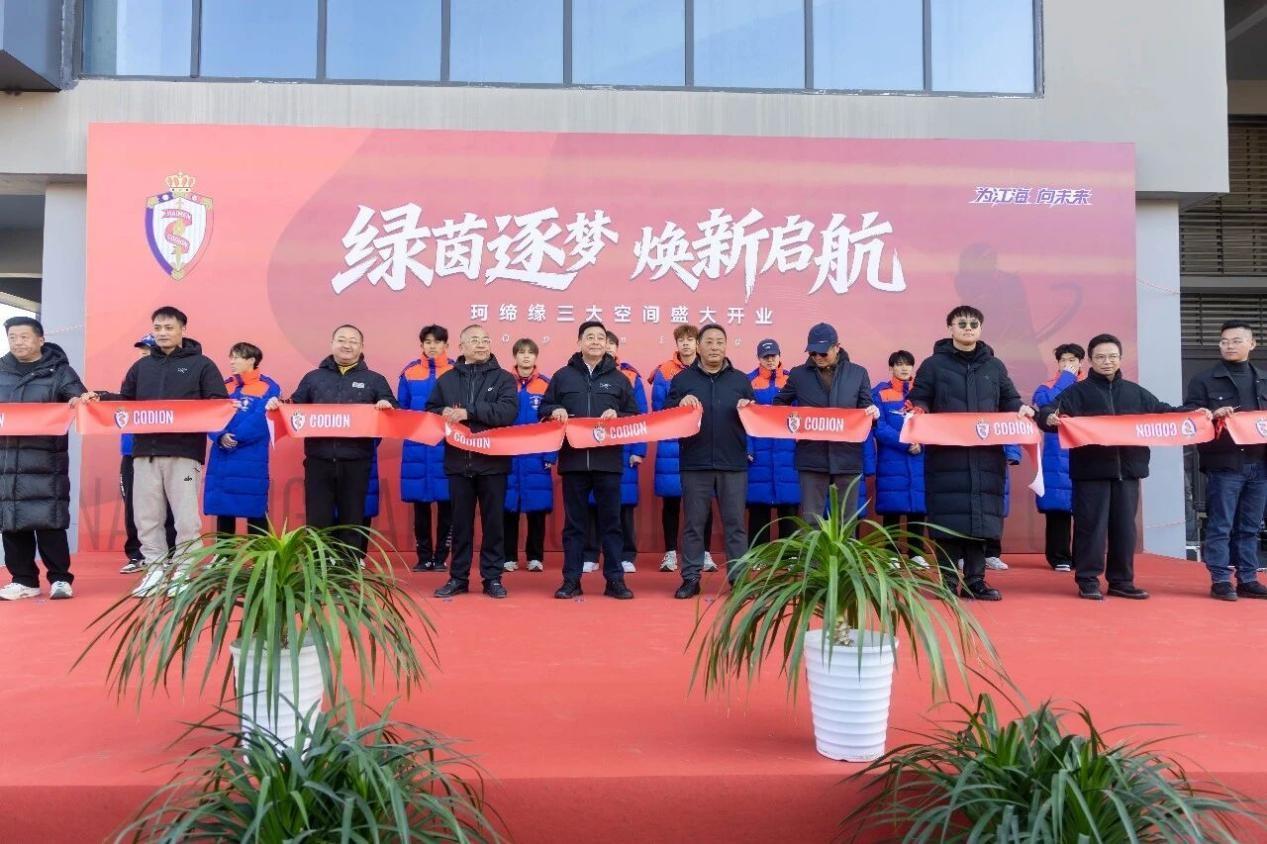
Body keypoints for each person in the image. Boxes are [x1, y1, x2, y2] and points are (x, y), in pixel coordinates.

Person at [1041, 333, 1211, 601]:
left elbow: (1164, 412)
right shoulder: (1076, 393)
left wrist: (1195, 414)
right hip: (1090, 473)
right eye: (1100, 357)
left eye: (1112, 356)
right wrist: (1047, 417)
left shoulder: (1135, 392)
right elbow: (1047, 411)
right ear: (1091, 360)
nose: (1107, 361)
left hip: (1128, 472)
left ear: (1120, 358)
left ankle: (1121, 580)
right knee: (1090, 528)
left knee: (1124, 530)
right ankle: (1088, 579)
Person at [83, 306, 228, 597]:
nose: (162, 333)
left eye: (169, 328)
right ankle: (155, 570)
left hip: (184, 453)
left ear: (183, 330)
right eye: (158, 328)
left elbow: (218, 403)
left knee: (186, 519)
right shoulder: (141, 367)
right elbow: (126, 402)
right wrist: (101, 398)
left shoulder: (202, 365)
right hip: (144, 453)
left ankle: (184, 571)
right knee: (147, 517)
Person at [908, 305, 1033, 601]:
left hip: (986, 456)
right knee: (947, 521)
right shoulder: (933, 365)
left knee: (981, 520)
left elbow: (1009, 399)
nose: (968, 328)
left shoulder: (994, 366)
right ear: (950, 328)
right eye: (961, 323)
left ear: (980, 329)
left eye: (973, 324)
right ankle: (948, 581)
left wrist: (1021, 409)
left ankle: (976, 581)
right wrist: (918, 410)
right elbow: (920, 397)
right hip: (946, 455)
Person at [267, 324, 395, 560]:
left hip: (356, 462)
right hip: (318, 460)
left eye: (353, 341)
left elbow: (393, 411)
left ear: (362, 347)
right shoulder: (313, 378)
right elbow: (294, 406)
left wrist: (387, 406)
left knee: (352, 521)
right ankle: (318, 569)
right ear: (332, 344)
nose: (347, 345)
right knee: (317, 521)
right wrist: (278, 405)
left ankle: (349, 570)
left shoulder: (375, 380)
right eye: (342, 340)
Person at [539, 320, 640, 600]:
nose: (595, 341)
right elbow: (544, 408)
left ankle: (615, 580)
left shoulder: (619, 379)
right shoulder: (562, 376)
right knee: (574, 526)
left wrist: (618, 416)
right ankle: (571, 580)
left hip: (608, 462)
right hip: (573, 461)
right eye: (590, 337)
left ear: (606, 344)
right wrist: (555, 409)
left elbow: (634, 415)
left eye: (600, 337)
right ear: (579, 342)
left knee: (612, 524)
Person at [428, 325, 518, 599]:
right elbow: (430, 411)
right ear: (461, 346)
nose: (481, 344)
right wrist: (441, 412)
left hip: (493, 464)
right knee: (460, 525)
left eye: (485, 340)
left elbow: (507, 412)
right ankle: (458, 577)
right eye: (474, 340)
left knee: (494, 525)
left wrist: (469, 412)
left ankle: (492, 578)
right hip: (458, 463)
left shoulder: (504, 378)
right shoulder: (446, 380)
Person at [664, 324, 755, 597]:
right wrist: (679, 404)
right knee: (694, 524)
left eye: (719, 342)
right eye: (709, 342)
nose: (714, 347)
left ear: (726, 346)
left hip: (733, 462)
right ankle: (691, 578)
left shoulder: (740, 380)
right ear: (699, 346)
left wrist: (749, 409)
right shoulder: (683, 380)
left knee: (735, 524)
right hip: (695, 462)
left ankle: (739, 579)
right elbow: (667, 415)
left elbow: (755, 419)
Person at [0, 316, 86, 601]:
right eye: (12, 337)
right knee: (11, 521)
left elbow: (79, 397)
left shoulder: (60, 372)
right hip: (6, 460)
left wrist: (78, 400)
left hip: (46, 461)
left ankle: (60, 578)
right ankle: (23, 580)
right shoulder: (1, 370)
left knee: (49, 521)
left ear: (40, 339)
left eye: (24, 337)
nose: (18, 342)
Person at [1184, 320, 1267, 601]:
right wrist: (1211, 414)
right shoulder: (1204, 380)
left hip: (1260, 464)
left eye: (1236, 340)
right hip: (1225, 463)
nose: (1229, 346)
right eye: (1224, 341)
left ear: (1252, 344)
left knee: (1250, 526)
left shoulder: (1263, 379)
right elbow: (1190, 417)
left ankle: (1248, 578)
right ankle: (1220, 579)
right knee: (1221, 524)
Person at [774, 322, 879, 522]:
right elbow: (779, 404)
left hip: (847, 457)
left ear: (837, 347)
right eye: (813, 353)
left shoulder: (858, 373)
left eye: (823, 353)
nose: (818, 357)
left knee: (846, 521)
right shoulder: (798, 375)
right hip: (811, 457)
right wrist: (792, 419)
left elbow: (867, 409)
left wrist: (873, 414)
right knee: (811, 521)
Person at [650, 324, 714, 572]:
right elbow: (660, 409)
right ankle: (670, 553)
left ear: (697, 343)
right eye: (681, 340)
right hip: (672, 443)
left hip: (702, 441)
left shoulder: (708, 367)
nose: (686, 344)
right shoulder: (664, 372)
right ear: (676, 344)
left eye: (690, 340)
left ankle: (705, 553)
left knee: (703, 501)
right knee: (671, 500)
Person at [582, 330, 647, 573]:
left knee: (623, 505)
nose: (606, 347)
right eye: (602, 342)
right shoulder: (582, 374)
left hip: (623, 450)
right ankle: (590, 554)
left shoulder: (629, 377)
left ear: (616, 349)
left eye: (611, 344)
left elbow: (639, 415)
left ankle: (626, 554)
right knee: (591, 505)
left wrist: (638, 450)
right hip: (592, 448)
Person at [203, 342, 281, 536]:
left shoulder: (269, 387)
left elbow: (261, 419)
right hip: (222, 456)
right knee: (223, 510)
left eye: (237, 357)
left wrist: (235, 437)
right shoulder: (225, 385)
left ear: (252, 360)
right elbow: (209, 414)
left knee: (254, 508)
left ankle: (260, 554)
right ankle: (223, 552)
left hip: (251, 457)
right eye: (231, 357)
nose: (232, 361)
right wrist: (220, 436)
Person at [398, 325, 453, 572]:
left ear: (446, 345)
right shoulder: (409, 372)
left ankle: (441, 557)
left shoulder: (456, 371)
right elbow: (401, 410)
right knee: (420, 505)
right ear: (421, 345)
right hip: (417, 448)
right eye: (428, 342)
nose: (432, 346)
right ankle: (423, 557)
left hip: (448, 446)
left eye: (437, 342)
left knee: (447, 505)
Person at [119, 334, 175, 573]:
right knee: (134, 505)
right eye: (141, 349)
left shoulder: (170, 379)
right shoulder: (134, 375)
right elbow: (121, 404)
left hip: (164, 450)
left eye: (148, 349)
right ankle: (136, 554)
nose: (143, 353)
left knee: (168, 502)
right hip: (132, 451)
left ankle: (170, 552)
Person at [1031, 343, 1085, 572]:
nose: (1067, 364)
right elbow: (1048, 406)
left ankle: (1084, 557)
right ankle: (1059, 556)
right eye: (1063, 360)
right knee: (1058, 507)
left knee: (1086, 509)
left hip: (1084, 451)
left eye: (1072, 360)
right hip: (1057, 454)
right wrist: (1065, 379)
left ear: (1081, 362)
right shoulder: (1046, 387)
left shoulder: (1090, 386)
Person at [503, 338, 554, 574]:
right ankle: (508, 556)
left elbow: (554, 423)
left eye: (530, 353)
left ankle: (535, 557)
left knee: (537, 509)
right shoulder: (503, 383)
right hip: (508, 455)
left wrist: (550, 455)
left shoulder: (546, 385)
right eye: (521, 352)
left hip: (536, 456)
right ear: (515, 356)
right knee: (508, 509)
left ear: (535, 357)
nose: (525, 356)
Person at [871, 350, 926, 563]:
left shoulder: (922, 393)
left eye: (908, 364)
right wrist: (905, 443)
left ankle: (916, 553)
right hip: (891, 458)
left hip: (919, 457)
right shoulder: (880, 393)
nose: (904, 368)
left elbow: (933, 423)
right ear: (891, 368)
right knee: (892, 506)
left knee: (918, 506)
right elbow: (880, 427)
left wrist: (920, 442)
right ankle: (891, 554)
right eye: (899, 364)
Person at [746, 339, 799, 542]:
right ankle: (758, 553)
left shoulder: (792, 380)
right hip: (759, 454)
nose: (770, 360)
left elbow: (803, 413)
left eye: (773, 356)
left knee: (789, 506)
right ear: (758, 358)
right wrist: (748, 448)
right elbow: (742, 418)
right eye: (765, 357)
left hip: (788, 452)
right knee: (759, 507)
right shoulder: (748, 381)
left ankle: (790, 553)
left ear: (779, 356)